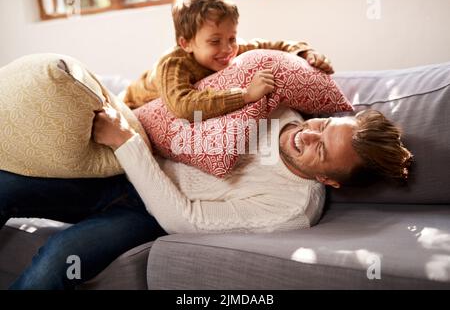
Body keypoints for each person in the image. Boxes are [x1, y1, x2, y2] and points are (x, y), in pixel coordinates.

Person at [0, 104, 412, 289]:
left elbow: (184, 220)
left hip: (143, 212)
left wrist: (126, 143)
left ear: (331, 181)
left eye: (321, 149)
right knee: (8, 186)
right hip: (113, 169)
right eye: (322, 124)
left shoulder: (291, 208)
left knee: (60, 256)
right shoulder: (279, 110)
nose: (307, 133)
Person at [123, 0, 334, 121]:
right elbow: (183, 105)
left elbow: (275, 45)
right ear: (186, 43)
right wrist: (245, 95)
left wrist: (307, 53)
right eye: (215, 41)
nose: (227, 49)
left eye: (232, 38)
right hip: (132, 102)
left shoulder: (233, 49)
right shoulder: (174, 64)